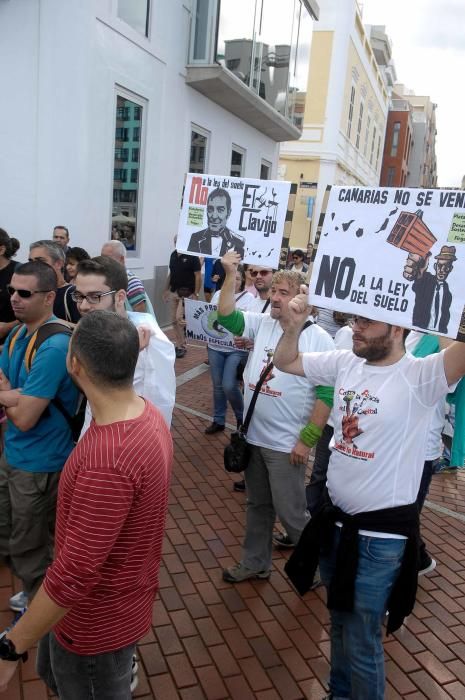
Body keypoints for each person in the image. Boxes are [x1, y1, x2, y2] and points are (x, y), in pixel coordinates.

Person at [273, 300, 465, 700]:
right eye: (355, 318)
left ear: (397, 328)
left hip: (381, 536)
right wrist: (292, 324)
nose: (355, 327)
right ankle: (339, 693)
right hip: (335, 523)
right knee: (339, 619)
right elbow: (286, 362)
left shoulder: (421, 375)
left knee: (362, 634)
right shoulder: (346, 361)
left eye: (367, 320)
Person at [0, 311, 173, 699]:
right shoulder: (147, 414)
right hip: (113, 608)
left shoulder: (107, 460)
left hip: (93, 626)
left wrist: (11, 646)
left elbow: (75, 573)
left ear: (73, 363)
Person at [217, 252, 334, 582]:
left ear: (301, 296)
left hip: (286, 445)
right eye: (275, 292)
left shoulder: (318, 338)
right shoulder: (263, 321)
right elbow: (226, 316)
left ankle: (317, 568)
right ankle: (255, 563)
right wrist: (229, 273)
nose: (276, 297)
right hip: (254, 437)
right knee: (258, 506)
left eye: (285, 292)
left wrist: (307, 440)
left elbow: (326, 395)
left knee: (293, 513)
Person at [0, 261, 79, 613]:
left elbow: (27, 417)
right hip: (14, 453)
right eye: (11, 291)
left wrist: (11, 396)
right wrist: (17, 395)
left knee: (32, 541)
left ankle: (41, 608)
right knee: (13, 529)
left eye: (24, 293)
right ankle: (34, 590)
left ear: (49, 297)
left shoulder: (54, 345)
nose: (14, 298)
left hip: (41, 462)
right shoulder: (18, 333)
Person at [74, 257, 176, 430]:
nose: (83, 306)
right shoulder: (93, 328)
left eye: (94, 297)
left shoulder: (150, 340)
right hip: (94, 436)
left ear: (120, 296)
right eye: (78, 296)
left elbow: (161, 404)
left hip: (129, 444)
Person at [204, 266, 255, 435]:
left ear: (242, 282)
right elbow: (209, 316)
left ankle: (242, 418)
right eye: (232, 279)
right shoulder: (219, 295)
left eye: (238, 279)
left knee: (228, 384)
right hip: (215, 347)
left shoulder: (250, 299)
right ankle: (219, 420)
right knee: (218, 386)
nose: (235, 282)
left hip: (236, 349)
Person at [404, 245, 456, 334]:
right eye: (440, 266)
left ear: (450, 269)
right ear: (435, 266)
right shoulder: (426, 280)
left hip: (439, 336)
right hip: (419, 332)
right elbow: (418, 282)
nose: (442, 270)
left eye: (446, 267)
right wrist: (421, 272)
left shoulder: (448, 294)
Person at [163, 239, 201, 358]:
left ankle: (182, 346)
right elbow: (171, 273)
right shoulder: (173, 255)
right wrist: (165, 289)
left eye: (179, 240)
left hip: (186, 293)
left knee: (179, 318)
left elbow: (198, 275)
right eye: (175, 241)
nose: (177, 242)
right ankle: (180, 343)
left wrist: (196, 293)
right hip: (174, 291)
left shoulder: (192, 256)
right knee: (174, 320)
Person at [29, 241, 80, 323]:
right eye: (31, 261)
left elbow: (83, 331)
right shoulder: (31, 292)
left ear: (59, 264)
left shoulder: (72, 294)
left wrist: (51, 322)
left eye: (40, 261)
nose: (33, 266)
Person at [187, 188, 245, 258]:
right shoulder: (195, 238)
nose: (214, 216)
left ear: (228, 213)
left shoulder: (238, 242)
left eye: (220, 210)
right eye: (210, 209)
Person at [101, 240, 154, 315]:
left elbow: (140, 315)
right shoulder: (109, 278)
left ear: (122, 259)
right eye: (102, 257)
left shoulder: (131, 281)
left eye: (107, 258)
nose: (102, 262)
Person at [0, 228, 20, 342]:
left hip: (11, 343)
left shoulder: (19, 272)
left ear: (1, 249)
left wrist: (8, 327)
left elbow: (36, 312)